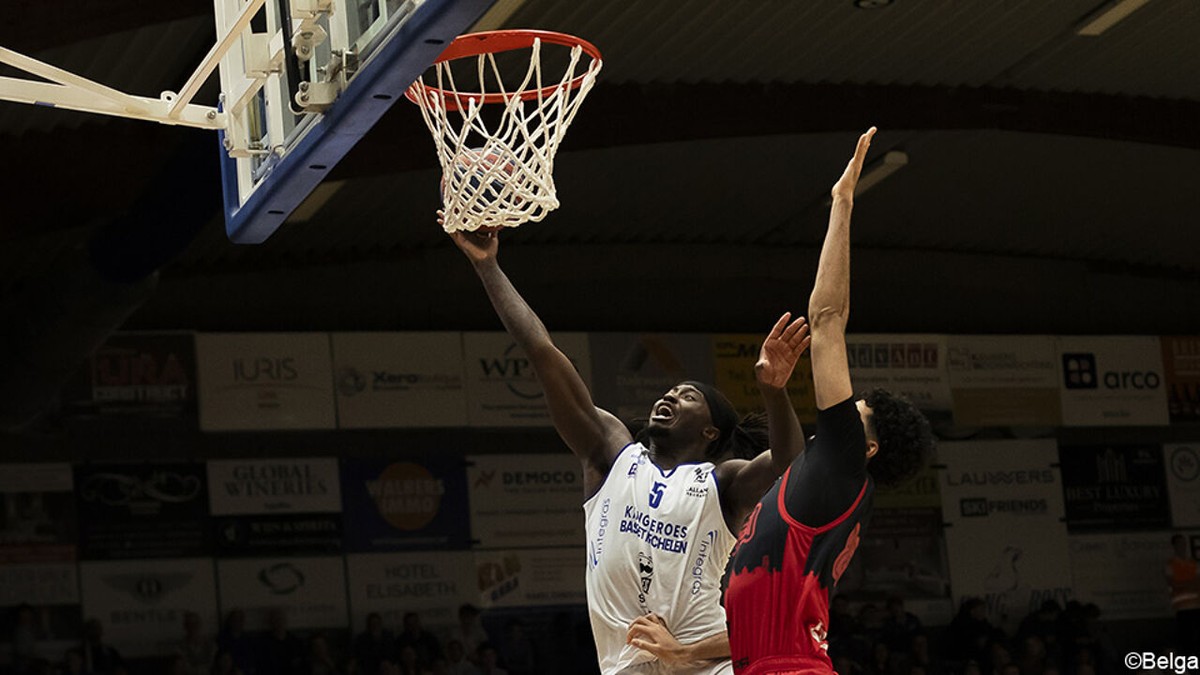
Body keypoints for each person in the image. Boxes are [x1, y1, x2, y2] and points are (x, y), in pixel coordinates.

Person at [626, 128, 935, 675]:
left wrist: (841, 204)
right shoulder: (813, 493)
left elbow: (827, 321)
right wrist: (682, 654)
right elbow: (756, 633)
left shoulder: (841, 465)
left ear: (865, 445)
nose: (832, 419)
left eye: (853, 411)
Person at [450, 226, 813, 675]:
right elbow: (542, 351)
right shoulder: (610, 454)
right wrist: (488, 268)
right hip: (627, 666)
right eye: (671, 390)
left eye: (688, 396)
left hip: (704, 662)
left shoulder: (721, 482)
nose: (671, 396)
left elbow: (791, 468)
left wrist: (775, 392)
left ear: (710, 433)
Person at [1167, 533, 1200, 649]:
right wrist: (1190, 584)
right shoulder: (1171, 565)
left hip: (1196, 605)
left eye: (1184, 544)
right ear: (1174, 546)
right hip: (1182, 607)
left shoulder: (1192, 563)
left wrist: (1185, 584)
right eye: (1180, 544)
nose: (1183, 546)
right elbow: (1173, 583)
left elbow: (1197, 581)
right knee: (1186, 638)